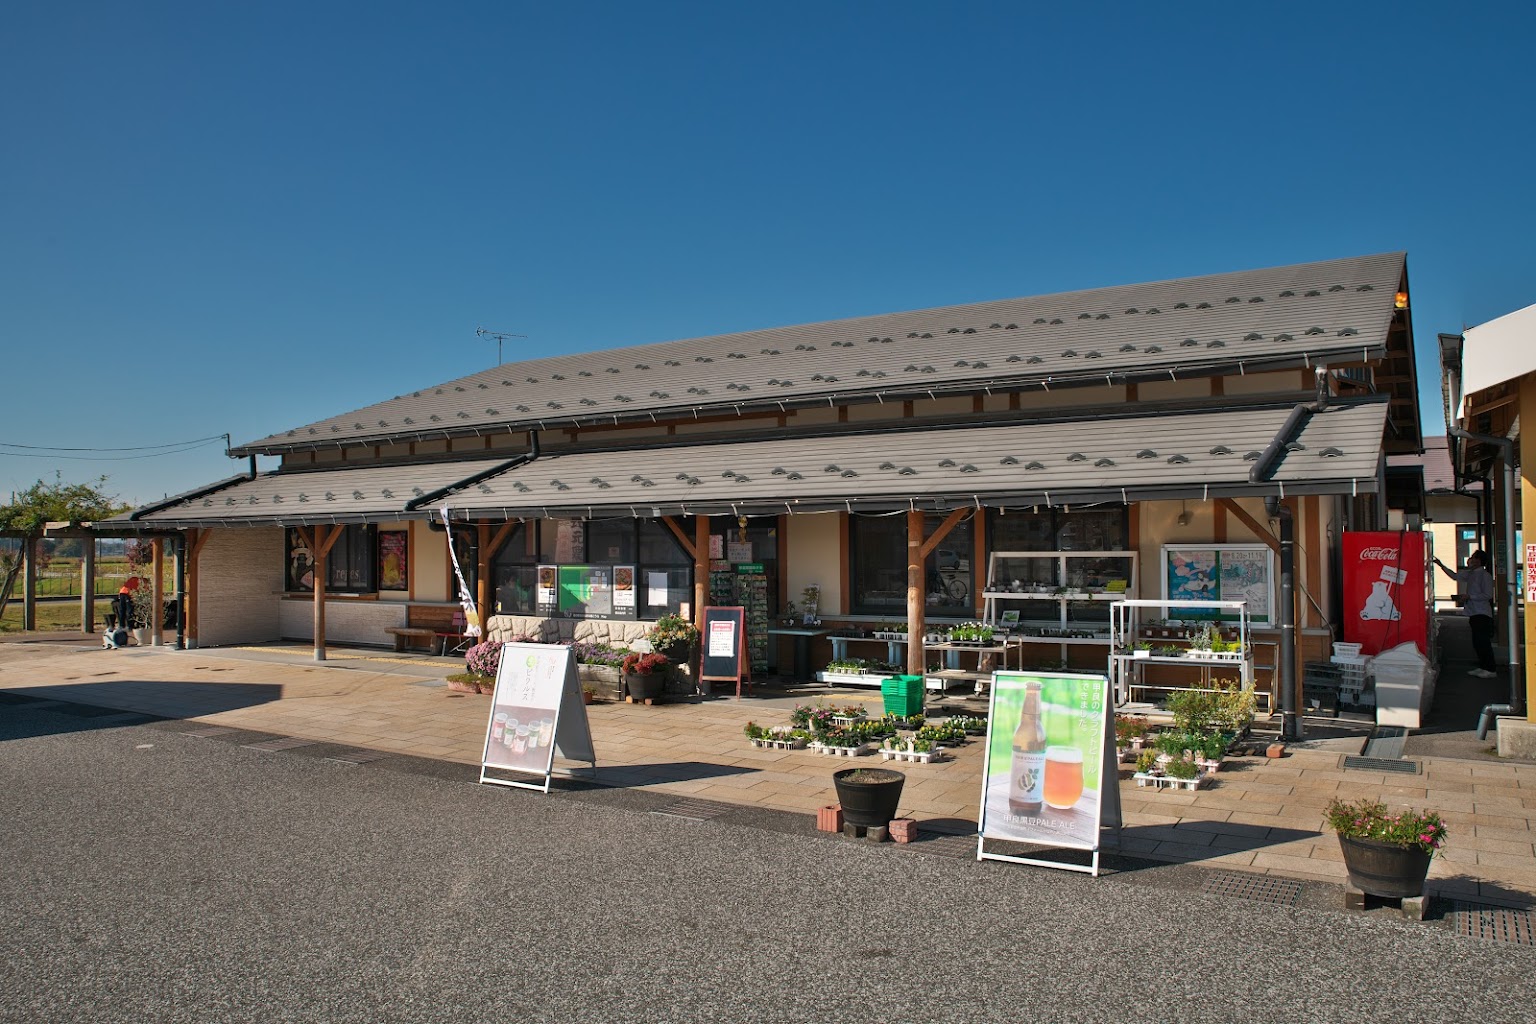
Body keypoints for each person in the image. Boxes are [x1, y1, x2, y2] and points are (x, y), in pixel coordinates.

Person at [1434, 549, 1497, 678]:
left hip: (1482, 613)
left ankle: (1490, 669)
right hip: (1474, 612)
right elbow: (1455, 576)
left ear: (1479, 561)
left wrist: (1469, 596)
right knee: (1477, 641)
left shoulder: (1485, 576)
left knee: (1482, 641)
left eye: (1473, 558)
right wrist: (1441, 565)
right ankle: (1483, 666)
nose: (1470, 560)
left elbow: (1488, 595)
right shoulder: (1471, 574)